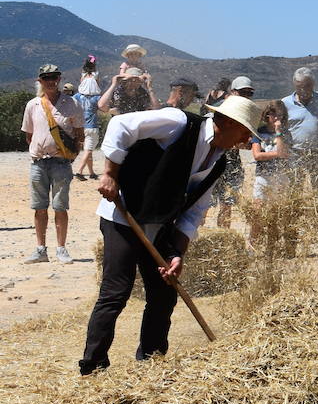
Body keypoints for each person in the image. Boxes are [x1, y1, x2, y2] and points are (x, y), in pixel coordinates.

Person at [80, 94, 259, 374]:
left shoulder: (220, 161)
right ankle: (93, 366)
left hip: (160, 224)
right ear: (225, 122)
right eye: (245, 131)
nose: (247, 139)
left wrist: (177, 253)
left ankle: (151, 363)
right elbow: (120, 124)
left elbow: (195, 210)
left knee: (165, 293)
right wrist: (110, 173)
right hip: (124, 212)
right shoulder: (179, 122)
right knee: (117, 291)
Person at [21, 64, 84, 264]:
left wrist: (71, 154)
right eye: (46, 77)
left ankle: (61, 249)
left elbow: (79, 135)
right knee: (39, 208)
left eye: (54, 77)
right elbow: (29, 136)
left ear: (58, 79)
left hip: (61, 163)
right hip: (39, 162)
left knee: (60, 207)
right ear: (40, 80)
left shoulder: (72, 103)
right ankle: (40, 250)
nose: (50, 80)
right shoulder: (33, 105)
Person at [281, 67, 318, 192]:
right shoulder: (285, 103)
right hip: (295, 154)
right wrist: (285, 148)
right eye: (299, 87)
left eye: (306, 86)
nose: (303, 91)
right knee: (294, 190)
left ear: (313, 84)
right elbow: (281, 128)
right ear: (294, 85)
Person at [210, 76, 253, 228]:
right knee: (204, 204)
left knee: (227, 203)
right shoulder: (220, 108)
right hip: (214, 160)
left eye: (249, 93)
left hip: (233, 163)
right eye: (243, 92)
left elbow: (248, 141)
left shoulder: (248, 112)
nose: (246, 96)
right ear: (233, 92)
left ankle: (222, 238)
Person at [250, 100, 292, 200]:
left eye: (280, 115)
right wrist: (277, 153)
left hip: (281, 175)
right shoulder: (259, 132)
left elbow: (284, 153)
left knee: (280, 207)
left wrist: (278, 132)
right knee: (259, 205)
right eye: (274, 114)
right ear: (267, 115)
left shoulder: (286, 133)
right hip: (263, 175)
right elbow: (257, 155)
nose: (277, 118)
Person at [70, 79, 101, 181]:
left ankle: (92, 173)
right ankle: (79, 171)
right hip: (92, 127)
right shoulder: (96, 98)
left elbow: (69, 102)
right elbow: (104, 106)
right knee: (88, 150)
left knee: (88, 150)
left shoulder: (78, 96)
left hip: (80, 127)